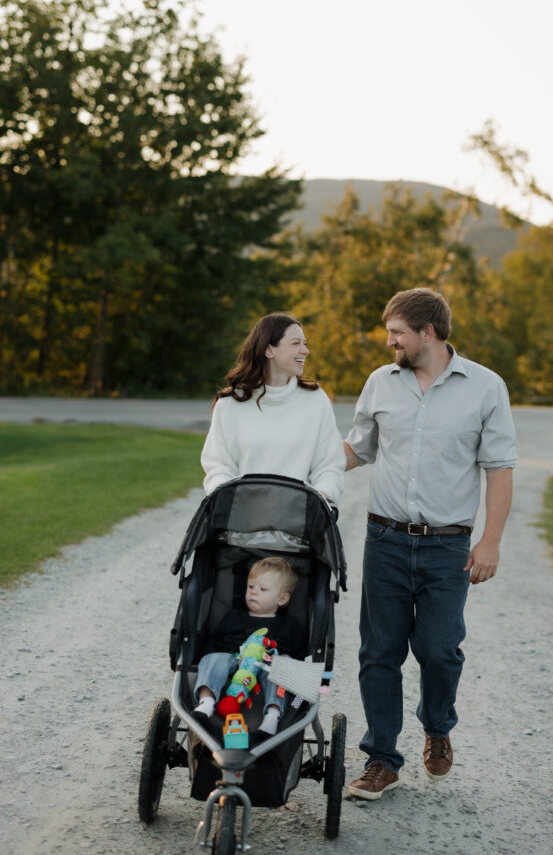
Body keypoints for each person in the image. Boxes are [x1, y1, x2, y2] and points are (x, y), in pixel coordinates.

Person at [344, 288, 516, 800]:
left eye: (397, 332)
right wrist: (301, 464)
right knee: (379, 652)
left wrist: (490, 542)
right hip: (386, 539)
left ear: (428, 332)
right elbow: (357, 449)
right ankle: (382, 759)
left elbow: (500, 469)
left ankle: (437, 726)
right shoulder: (380, 382)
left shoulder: (486, 387)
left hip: (447, 547)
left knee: (440, 651)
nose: (389, 340)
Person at [200, 312, 345, 504]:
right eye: (296, 344)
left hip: (300, 523)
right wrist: (229, 501)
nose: (305, 351)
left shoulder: (316, 400)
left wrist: (320, 498)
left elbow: (329, 466)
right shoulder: (230, 403)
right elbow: (219, 466)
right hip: (241, 522)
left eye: (305, 343)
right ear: (269, 350)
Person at [194, 557, 305, 735]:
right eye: (250, 587)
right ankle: (206, 701)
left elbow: (298, 653)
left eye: (262, 589)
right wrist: (209, 656)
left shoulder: (288, 625)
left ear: (282, 599)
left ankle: (272, 714)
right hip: (234, 659)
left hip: (266, 663)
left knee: (280, 669)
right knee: (214, 657)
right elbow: (216, 641)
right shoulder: (234, 616)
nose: (253, 592)